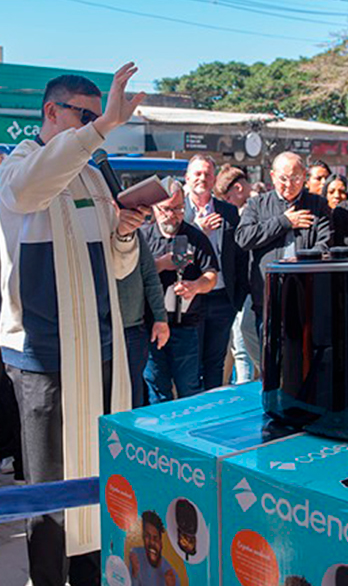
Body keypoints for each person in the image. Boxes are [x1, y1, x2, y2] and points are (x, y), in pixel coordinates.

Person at [0, 66, 146, 585]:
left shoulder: (93, 171)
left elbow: (118, 266)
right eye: (84, 116)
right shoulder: (17, 165)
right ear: (50, 112)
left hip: (101, 353)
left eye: (97, 116)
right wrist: (103, 126)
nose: (95, 126)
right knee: (50, 490)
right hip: (44, 358)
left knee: (98, 478)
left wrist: (126, 232)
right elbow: (27, 192)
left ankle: (90, 575)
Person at [236, 152, 338, 324]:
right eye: (283, 179)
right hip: (268, 295)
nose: (289, 184)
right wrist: (284, 222)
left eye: (295, 178)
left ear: (304, 176)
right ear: (273, 177)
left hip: (306, 293)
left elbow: (325, 244)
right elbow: (243, 238)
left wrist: (300, 266)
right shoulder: (257, 204)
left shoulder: (318, 205)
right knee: (269, 348)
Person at [142, 183, 219, 404]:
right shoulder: (143, 236)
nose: (171, 215)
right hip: (151, 326)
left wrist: (195, 286)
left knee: (189, 390)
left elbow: (211, 275)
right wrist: (160, 265)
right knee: (157, 389)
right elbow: (132, 275)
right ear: (155, 208)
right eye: (166, 209)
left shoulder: (195, 236)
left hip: (185, 324)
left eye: (177, 208)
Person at [183, 155, 249, 390]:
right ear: (187, 177)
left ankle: (211, 407)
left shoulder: (228, 211)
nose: (202, 178)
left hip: (223, 298)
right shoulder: (178, 210)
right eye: (198, 173)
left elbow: (241, 256)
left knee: (215, 362)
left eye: (208, 174)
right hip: (191, 298)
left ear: (214, 179)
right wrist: (197, 230)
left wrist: (237, 298)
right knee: (190, 363)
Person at [215, 165, 258, 384]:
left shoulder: (253, 209)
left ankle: (245, 391)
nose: (226, 203)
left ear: (238, 188)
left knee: (242, 347)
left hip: (248, 289)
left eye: (227, 197)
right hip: (240, 290)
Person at [116, 233, 170, 408]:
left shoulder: (134, 233)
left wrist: (161, 319)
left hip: (132, 327)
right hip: (98, 330)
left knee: (134, 395)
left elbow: (150, 276)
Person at [129, 511, 177, 586]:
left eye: (155, 538)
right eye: (147, 536)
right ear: (142, 537)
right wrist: (134, 574)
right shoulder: (136, 556)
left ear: (161, 543)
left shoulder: (172, 576)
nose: (151, 542)